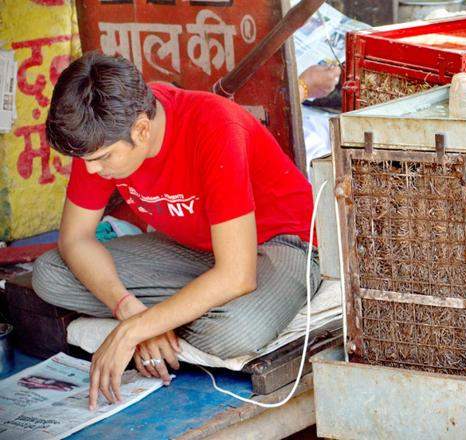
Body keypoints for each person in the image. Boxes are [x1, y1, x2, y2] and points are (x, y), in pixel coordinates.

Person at [33, 51, 320, 410]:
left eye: (102, 158)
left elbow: (238, 275)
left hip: (283, 244)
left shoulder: (215, 126)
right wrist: (130, 312)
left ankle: (173, 313)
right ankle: (174, 312)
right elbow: (75, 238)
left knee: (234, 333)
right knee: (50, 273)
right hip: (196, 247)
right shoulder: (100, 133)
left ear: (141, 129)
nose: (92, 171)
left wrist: (133, 333)